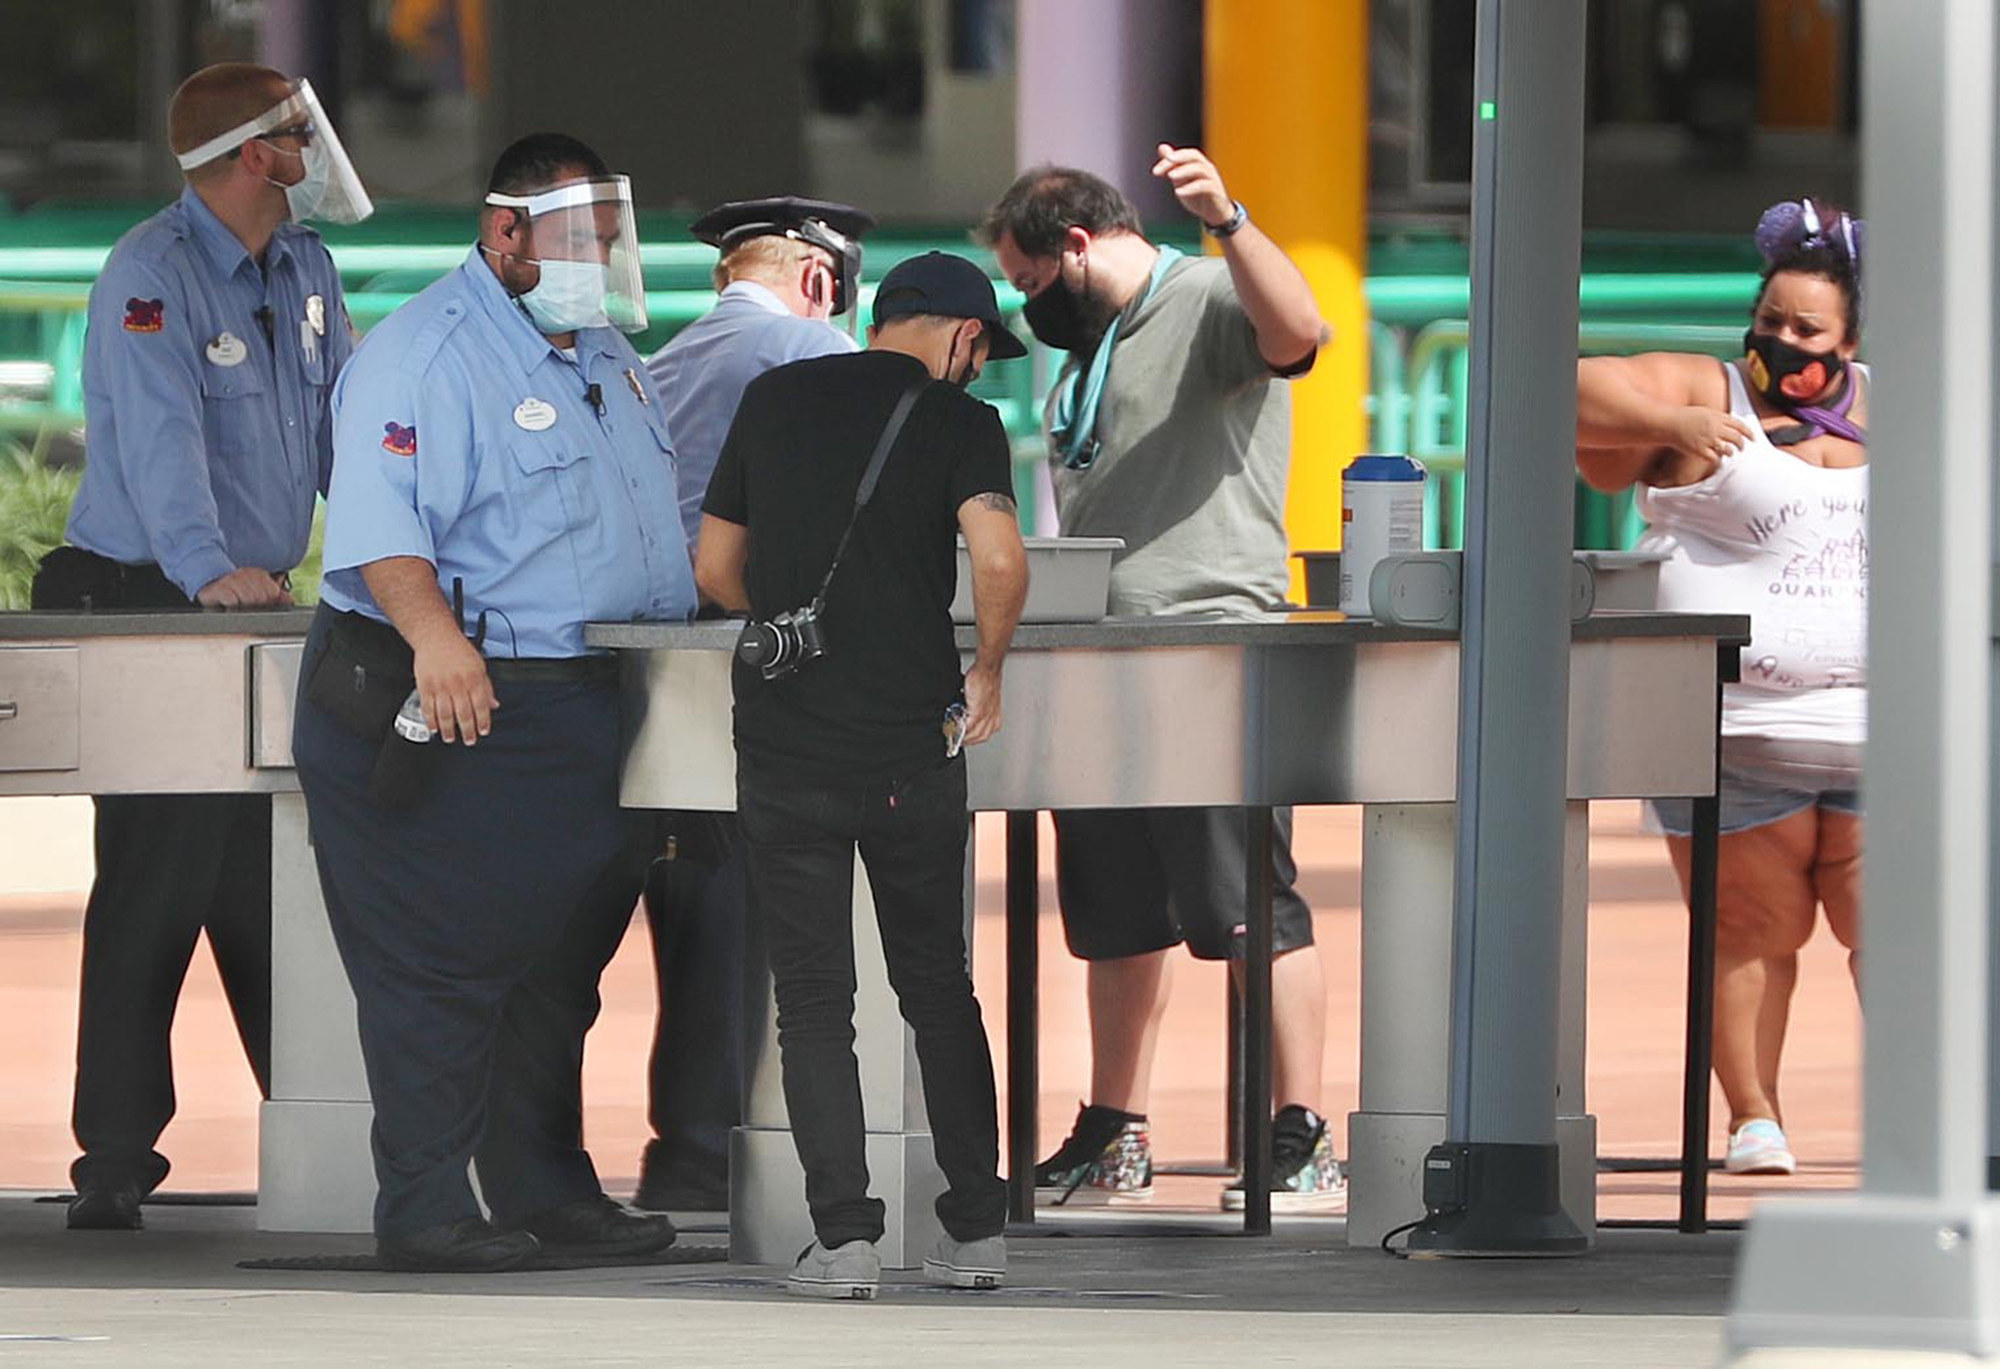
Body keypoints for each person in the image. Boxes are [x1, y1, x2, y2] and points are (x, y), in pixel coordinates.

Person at [291, 133, 694, 1271]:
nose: (596, 256)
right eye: (577, 238)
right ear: (503, 229)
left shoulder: (604, 350)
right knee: (441, 965)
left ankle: (544, 1185)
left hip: (587, 703)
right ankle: (423, 1206)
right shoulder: (424, 354)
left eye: (606, 238)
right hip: (461, 698)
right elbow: (381, 529)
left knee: (557, 969)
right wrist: (437, 641)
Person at [30, 62, 367, 1231]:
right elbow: (159, 440)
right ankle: (115, 1151)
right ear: (243, 153)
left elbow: (346, 429)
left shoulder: (308, 269)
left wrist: (387, 551)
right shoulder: (151, 272)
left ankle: (317, 1122)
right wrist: (202, 570)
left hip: (248, 601)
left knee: (265, 879)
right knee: (159, 880)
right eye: (292, 136)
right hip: (150, 596)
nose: (310, 153)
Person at [978, 149, 1341, 1214]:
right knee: (1113, 910)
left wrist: (1231, 216)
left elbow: (1297, 333)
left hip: (1204, 647)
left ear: (1076, 247)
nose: (1024, 305)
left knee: (1246, 904)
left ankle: (1299, 1130)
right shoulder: (1088, 347)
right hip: (1104, 655)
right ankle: (1114, 1128)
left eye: (1031, 282)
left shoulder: (1202, 299)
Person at [695, 250, 1029, 1298]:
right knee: (936, 984)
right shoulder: (957, 421)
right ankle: (973, 1233)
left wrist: (793, 619)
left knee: (811, 998)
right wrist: (986, 669)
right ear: (962, 334)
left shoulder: (773, 397)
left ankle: (842, 1241)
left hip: (786, 745)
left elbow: (712, 568)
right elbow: (1002, 560)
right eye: (981, 352)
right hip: (909, 749)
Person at [1575, 198, 1867, 1177]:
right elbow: (1564, 386)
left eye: (1806, 328)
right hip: (1734, 731)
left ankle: (1919, 1122)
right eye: (1771, 320)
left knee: (1896, 938)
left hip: (1881, 731)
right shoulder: (1708, 388)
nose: (1782, 340)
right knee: (1746, 933)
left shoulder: (1891, 401)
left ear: (1848, 338)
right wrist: (1670, 422)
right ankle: (1753, 1117)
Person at [630, 196, 873, 1213]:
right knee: (750, 921)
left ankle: (682, 1151)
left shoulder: (664, 361)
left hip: (650, 657)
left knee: (690, 914)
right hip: (758, 655)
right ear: (818, 279)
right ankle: (713, 1155)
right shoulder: (807, 348)